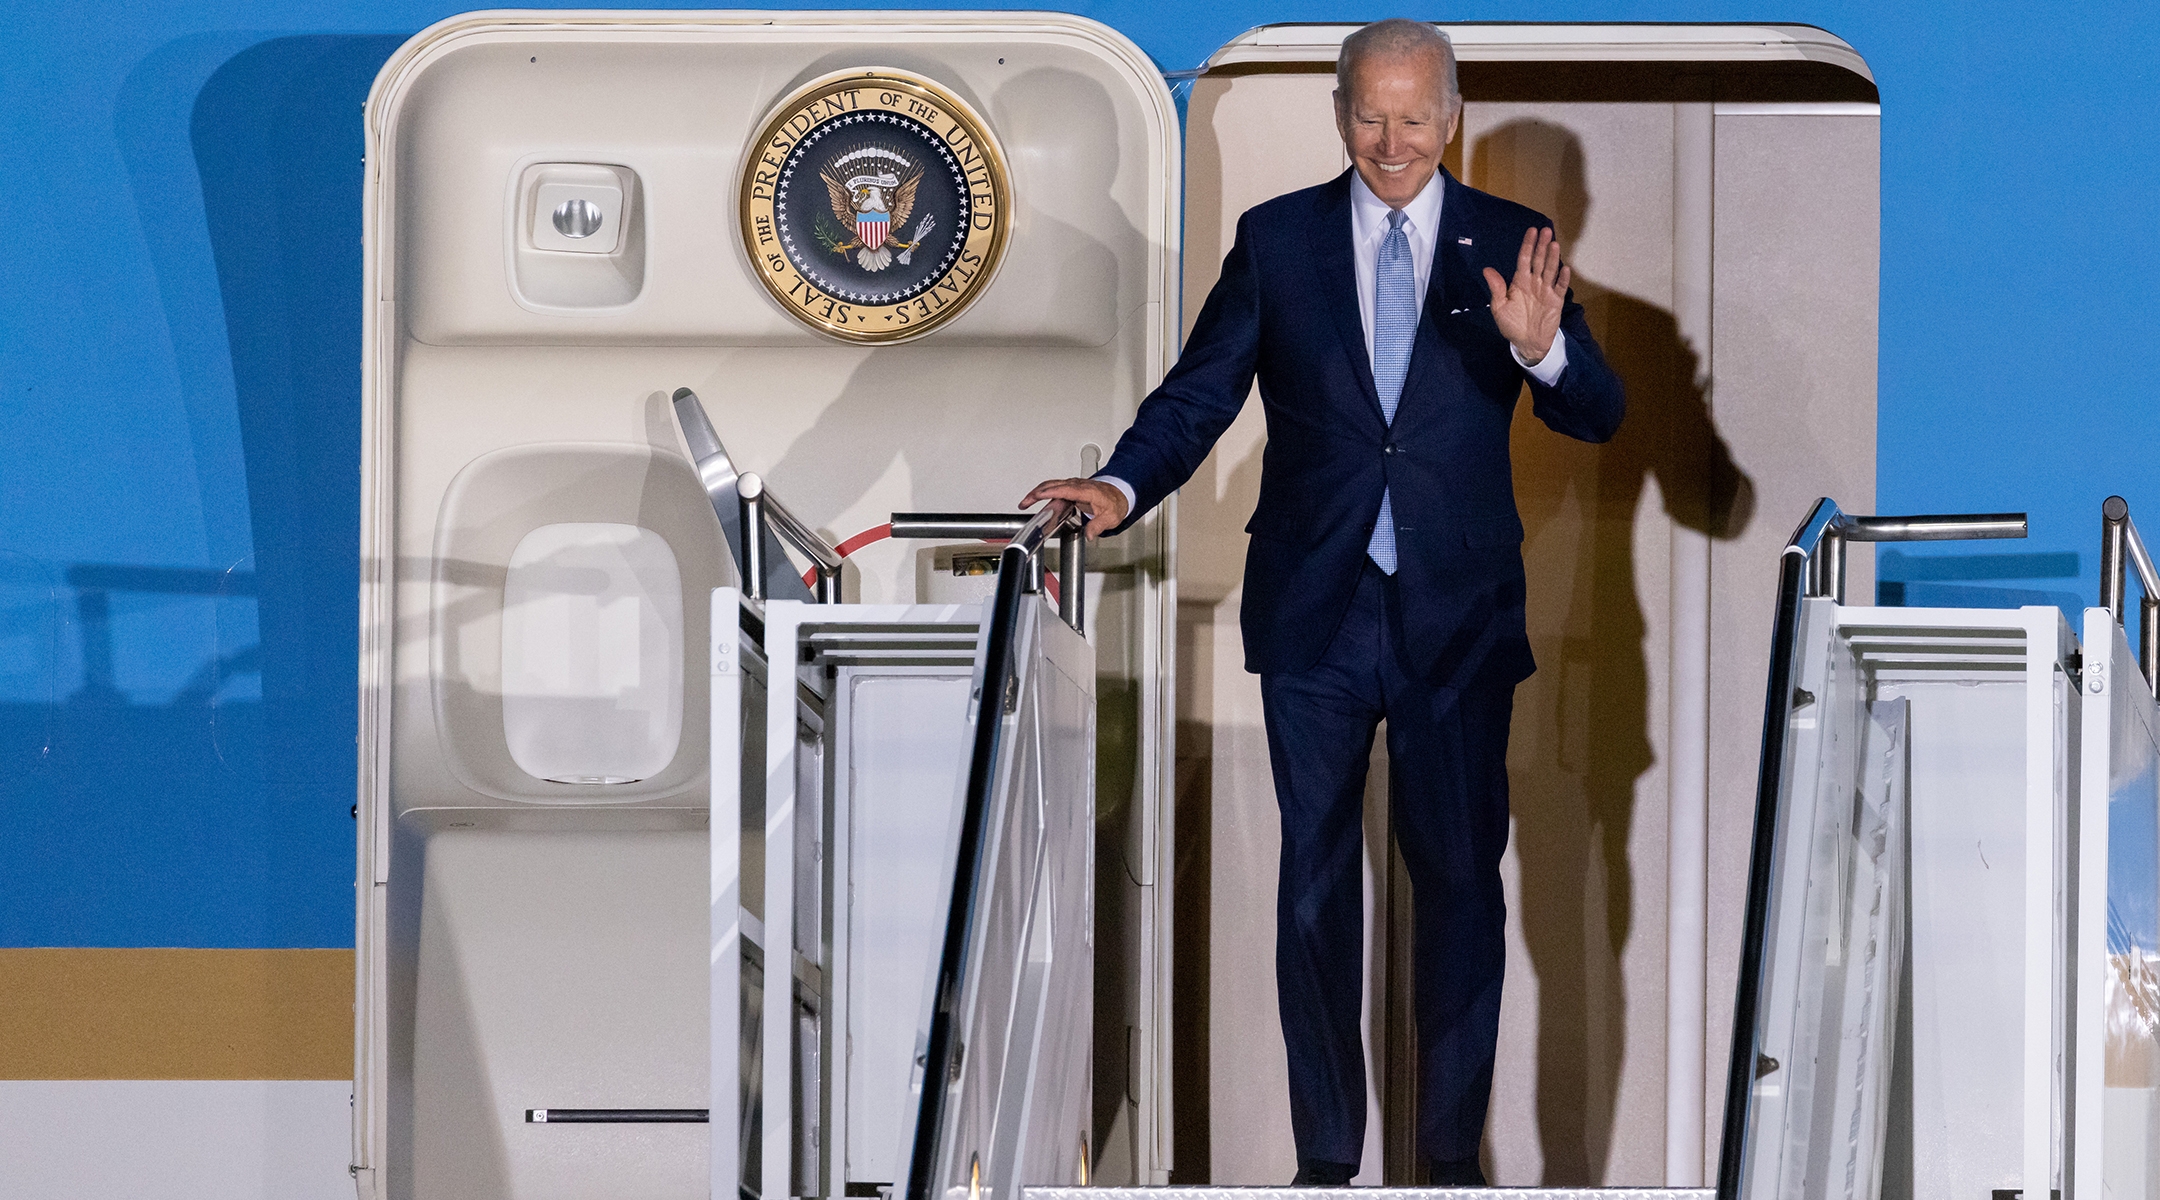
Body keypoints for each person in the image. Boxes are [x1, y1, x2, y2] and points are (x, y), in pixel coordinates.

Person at [1021, 18, 1624, 1187]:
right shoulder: (1278, 238)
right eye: (1369, 115)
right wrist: (1118, 482)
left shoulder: (1513, 242)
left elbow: (1596, 412)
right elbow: (1198, 395)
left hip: (1456, 617)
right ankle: (1327, 1166)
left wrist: (1546, 354)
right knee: (1314, 890)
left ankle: (1448, 1166)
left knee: (1458, 889)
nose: (1391, 141)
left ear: (1452, 117)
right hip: (1316, 609)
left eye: (1414, 117)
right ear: (1339, 112)